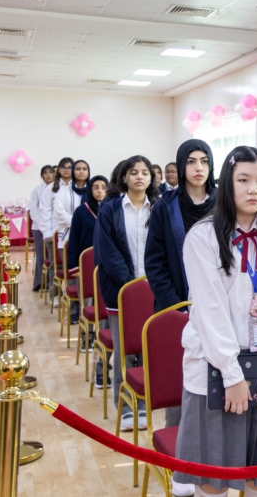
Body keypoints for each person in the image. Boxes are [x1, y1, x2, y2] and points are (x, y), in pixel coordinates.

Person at [173, 146, 257, 497]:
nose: (253, 189)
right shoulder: (203, 236)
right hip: (216, 372)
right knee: (213, 482)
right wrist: (232, 375)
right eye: (243, 180)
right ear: (226, 185)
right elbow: (209, 313)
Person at [96, 155, 157, 433]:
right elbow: (108, 253)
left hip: (155, 290)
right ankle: (125, 408)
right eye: (134, 172)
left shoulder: (159, 208)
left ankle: (144, 404)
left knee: (148, 351)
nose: (140, 177)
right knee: (124, 352)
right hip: (122, 292)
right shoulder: (110, 210)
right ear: (124, 178)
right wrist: (132, 286)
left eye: (145, 172)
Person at [146, 140, 216, 313]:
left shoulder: (225, 203)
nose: (199, 167)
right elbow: (155, 263)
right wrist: (176, 307)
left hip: (219, 303)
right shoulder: (165, 206)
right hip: (177, 303)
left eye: (204, 161)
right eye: (191, 161)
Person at [68, 175, 108, 350]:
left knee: (105, 303)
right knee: (89, 303)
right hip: (86, 265)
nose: (100, 191)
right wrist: (74, 266)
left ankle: (105, 336)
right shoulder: (81, 211)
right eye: (96, 187)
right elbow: (74, 240)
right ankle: (87, 338)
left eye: (103, 187)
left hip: (106, 264)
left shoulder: (112, 209)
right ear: (90, 190)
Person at [54, 159, 91, 324]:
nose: (81, 172)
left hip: (89, 238)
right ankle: (74, 312)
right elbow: (59, 213)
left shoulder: (93, 190)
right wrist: (79, 221)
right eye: (78, 169)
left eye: (84, 169)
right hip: (68, 237)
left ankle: (89, 311)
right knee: (73, 276)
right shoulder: (63, 191)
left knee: (89, 279)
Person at [39, 157, 74, 308]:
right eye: (63, 167)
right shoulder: (51, 188)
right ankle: (55, 295)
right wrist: (46, 232)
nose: (67, 169)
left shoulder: (78, 186)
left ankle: (74, 296)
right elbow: (45, 211)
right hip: (54, 231)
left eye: (69, 166)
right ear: (58, 170)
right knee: (56, 264)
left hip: (73, 230)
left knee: (73, 266)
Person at [29, 165, 55, 291]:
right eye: (45, 173)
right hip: (38, 227)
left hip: (54, 228)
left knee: (53, 256)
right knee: (41, 255)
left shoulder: (57, 189)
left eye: (51, 172)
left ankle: (52, 284)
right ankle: (39, 283)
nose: (48, 175)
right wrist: (43, 226)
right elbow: (34, 212)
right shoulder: (36, 191)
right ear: (42, 175)